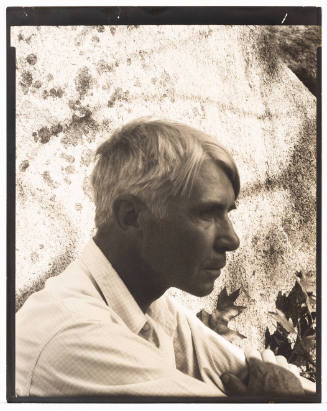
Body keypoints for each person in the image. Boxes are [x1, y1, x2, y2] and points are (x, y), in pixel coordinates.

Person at [15, 119, 314, 398]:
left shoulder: (149, 302)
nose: (232, 239)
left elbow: (251, 372)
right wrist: (285, 396)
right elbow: (281, 391)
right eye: (206, 213)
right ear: (131, 216)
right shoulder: (74, 334)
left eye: (227, 212)